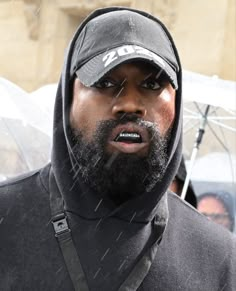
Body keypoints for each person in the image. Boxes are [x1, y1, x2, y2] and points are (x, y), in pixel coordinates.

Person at [0, 6, 235, 291]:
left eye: (151, 83)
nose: (130, 104)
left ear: (176, 101)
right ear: (68, 99)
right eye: (105, 82)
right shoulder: (7, 219)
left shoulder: (217, 257)